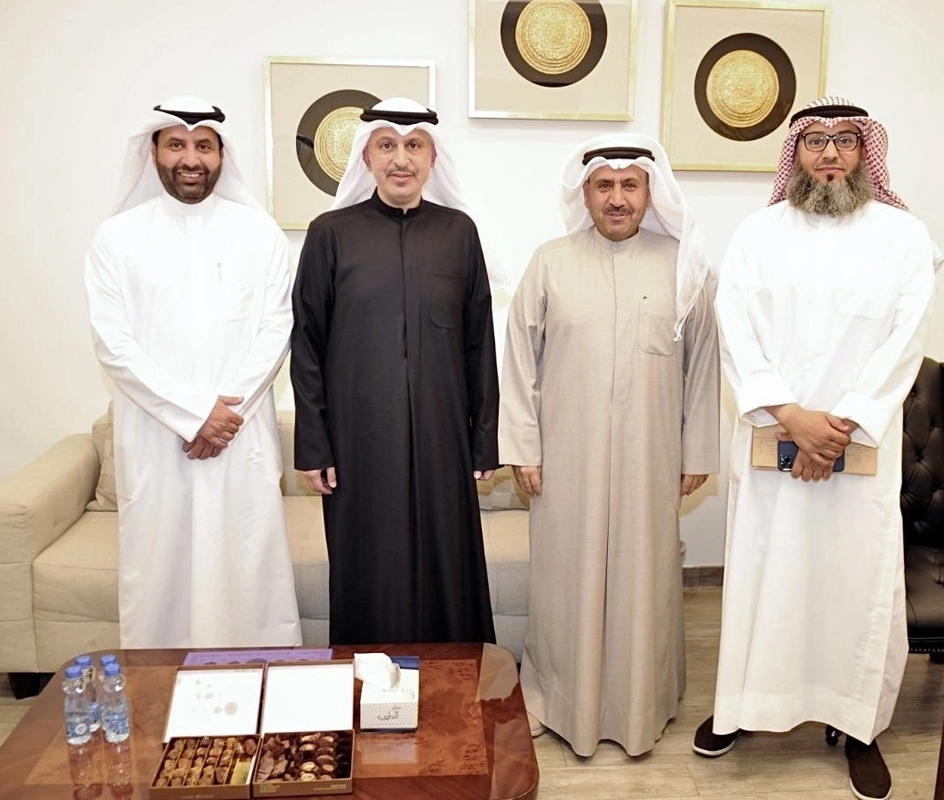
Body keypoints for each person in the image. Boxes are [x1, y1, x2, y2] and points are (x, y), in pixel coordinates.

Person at [693, 96, 941, 800]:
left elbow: (906, 341)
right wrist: (791, 417)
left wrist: (838, 428)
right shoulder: (757, 234)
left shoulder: (904, 237)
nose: (830, 153)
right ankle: (744, 707)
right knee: (763, 578)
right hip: (773, 438)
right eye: (815, 141)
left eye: (845, 141)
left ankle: (858, 724)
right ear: (795, 153)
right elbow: (736, 330)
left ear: (866, 152)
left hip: (859, 448)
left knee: (854, 586)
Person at [500, 134, 720, 756]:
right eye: (604, 185)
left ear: (650, 192)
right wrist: (523, 446)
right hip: (565, 456)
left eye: (629, 184)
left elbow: (704, 364)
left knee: (644, 578)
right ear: (586, 193)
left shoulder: (684, 266)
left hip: (653, 455)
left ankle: (642, 704)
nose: (617, 198)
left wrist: (697, 451)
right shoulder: (551, 262)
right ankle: (555, 697)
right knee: (564, 580)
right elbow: (518, 361)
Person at [84, 97, 301, 648]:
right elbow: (113, 343)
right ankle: (160, 690)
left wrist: (221, 418)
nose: (191, 158)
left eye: (204, 145)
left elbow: (277, 330)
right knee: (161, 573)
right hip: (158, 438)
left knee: (246, 569)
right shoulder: (117, 238)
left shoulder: (259, 233)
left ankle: (259, 682)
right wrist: (194, 414)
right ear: (153, 152)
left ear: (221, 155)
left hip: (238, 437)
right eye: (176, 144)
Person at [290, 98, 500, 645]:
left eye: (414, 146)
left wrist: (483, 442)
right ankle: (369, 681)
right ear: (367, 157)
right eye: (387, 145)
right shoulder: (330, 233)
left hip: (443, 437)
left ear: (432, 158)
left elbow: (479, 342)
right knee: (368, 565)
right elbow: (307, 342)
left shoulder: (458, 233)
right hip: (358, 440)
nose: (400, 159)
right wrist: (313, 443)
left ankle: (451, 683)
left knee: (447, 566)